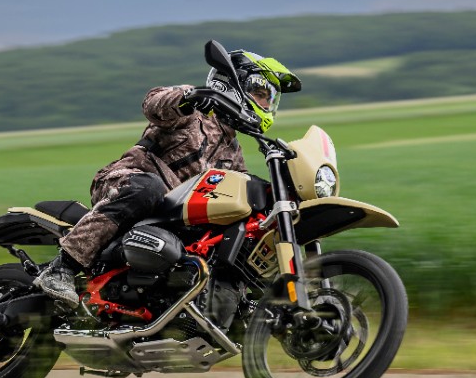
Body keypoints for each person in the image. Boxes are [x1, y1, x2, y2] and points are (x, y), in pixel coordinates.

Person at [33, 47, 301, 305]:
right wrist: (189, 97)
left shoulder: (233, 151)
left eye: (270, 99)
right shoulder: (193, 112)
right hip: (127, 183)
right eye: (261, 94)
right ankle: (61, 269)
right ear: (235, 85)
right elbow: (153, 103)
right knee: (149, 187)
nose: (266, 104)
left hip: (170, 216)